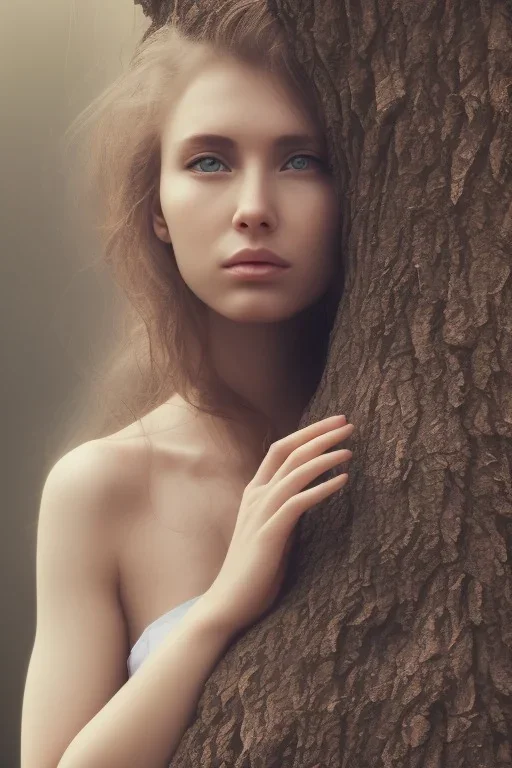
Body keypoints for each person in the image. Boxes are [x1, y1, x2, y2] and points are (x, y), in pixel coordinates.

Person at [21, 6, 354, 767]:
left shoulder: (437, 435)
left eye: (303, 160)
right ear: (157, 208)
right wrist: (221, 609)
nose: (254, 210)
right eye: (210, 162)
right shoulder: (101, 487)